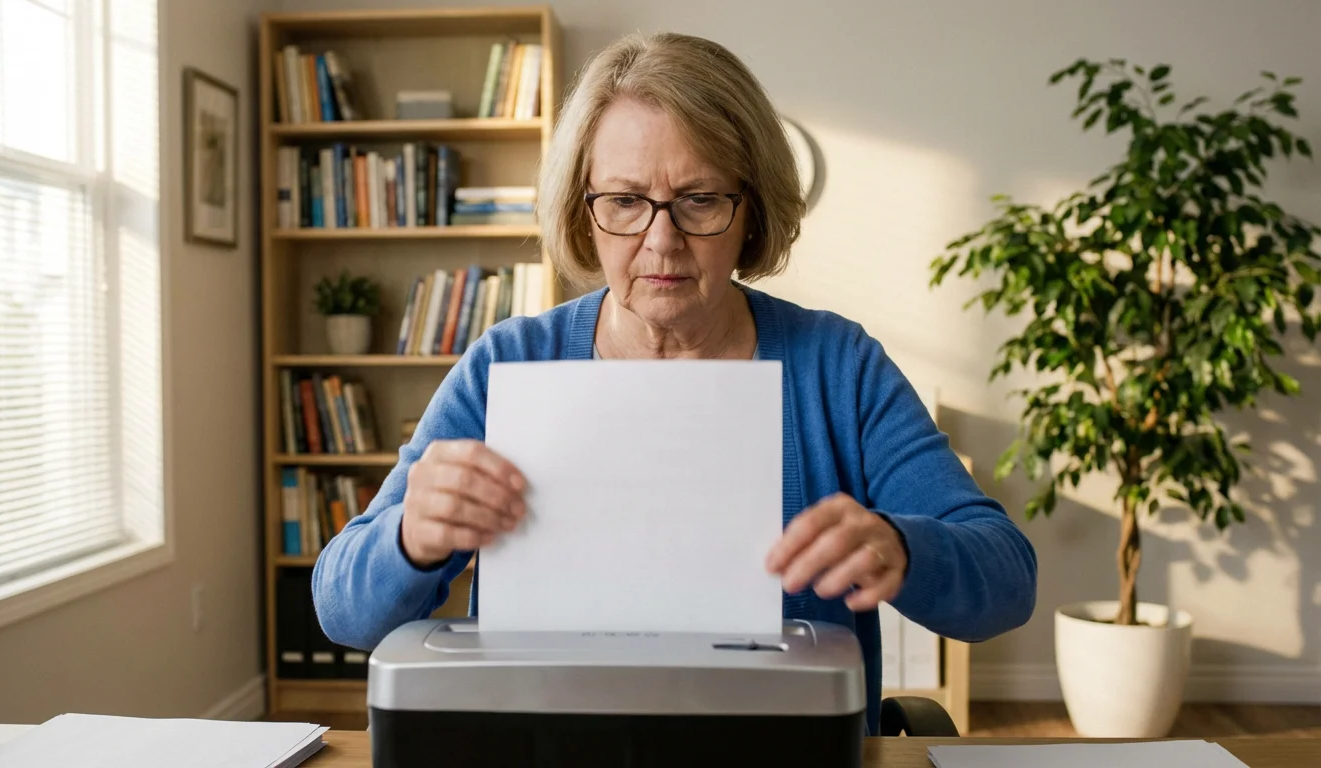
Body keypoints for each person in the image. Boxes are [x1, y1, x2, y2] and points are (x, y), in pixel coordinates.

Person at [312, 32, 1037, 735]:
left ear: (750, 209)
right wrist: (410, 538)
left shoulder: (836, 366)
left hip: (777, 752)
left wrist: (902, 547)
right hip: (547, 748)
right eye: (625, 201)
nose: (661, 242)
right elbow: (342, 609)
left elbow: (1006, 579)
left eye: (698, 200)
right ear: (582, 210)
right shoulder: (507, 364)